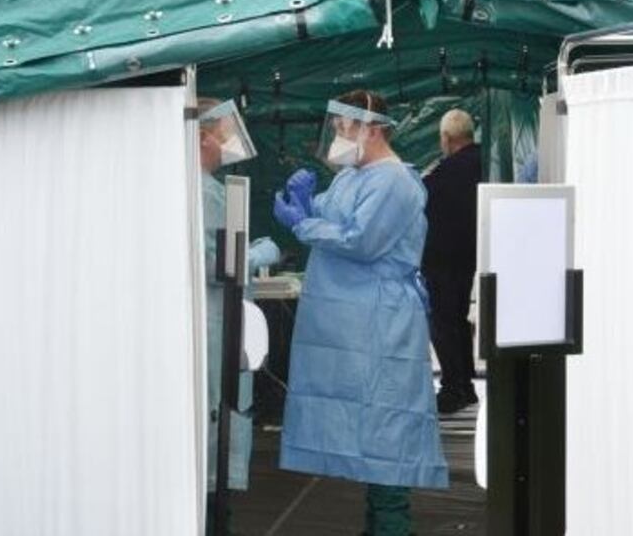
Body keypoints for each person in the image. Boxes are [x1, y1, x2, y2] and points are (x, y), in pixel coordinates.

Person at [273, 90, 449, 536]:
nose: (336, 135)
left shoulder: (395, 181)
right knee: (367, 433)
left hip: (380, 324)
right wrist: (310, 204)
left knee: (387, 434)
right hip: (352, 325)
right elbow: (339, 223)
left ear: (370, 128)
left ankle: (391, 527)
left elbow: (361, 241)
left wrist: (302, 223)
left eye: (343, 128)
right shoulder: (353, 176)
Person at [199, 97, 280, 535]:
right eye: (222, 129)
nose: (229, 139)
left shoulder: (205, 187)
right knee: (214, 436)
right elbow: (215, 263)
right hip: (212, 329)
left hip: (218, 324)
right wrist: (254, 255)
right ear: (202, 134)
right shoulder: (201, 190)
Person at [422, 109, 482, 414]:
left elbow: (422, 199)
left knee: (444, 324)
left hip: (442, 260)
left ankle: (453, 389)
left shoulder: (442, 173)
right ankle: (466, 386)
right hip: (469, 257)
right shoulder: (484, 163)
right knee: (458, 322)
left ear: (446, 138)